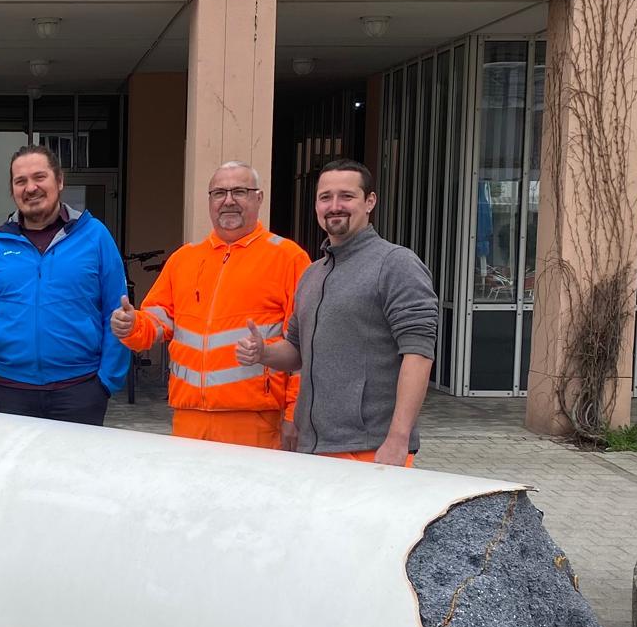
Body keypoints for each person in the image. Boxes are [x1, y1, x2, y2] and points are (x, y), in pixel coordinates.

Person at [235, 159, 437, 465]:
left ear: (370, 202)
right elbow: (296, 352)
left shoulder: (396, 264)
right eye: (325, 197)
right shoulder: (313, 275)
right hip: (314, 447)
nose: (334, 206)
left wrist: (398, 438)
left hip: (372, 450)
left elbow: (419, 354)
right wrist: (263, 353)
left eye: (347, 196)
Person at [110, 162, 311, 448]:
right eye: (219, 193)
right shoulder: (184, 259)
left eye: (239, 191)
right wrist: (132, 326)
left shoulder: (288, 258)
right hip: (189, 420)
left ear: (259, 198)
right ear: (210, 201)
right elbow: (156, 322)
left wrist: (295, 414)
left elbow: (306, 346)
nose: (228, 200)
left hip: (256, 423)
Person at [0, 144, 129, 426]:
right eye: (21, 181)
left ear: (60, 181)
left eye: (39, 177)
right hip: (11, 390)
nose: (31, 188)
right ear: (13, 189)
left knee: (75, 471)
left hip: (80, 389)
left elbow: (117, 312)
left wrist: (106, 382)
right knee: (16, 472)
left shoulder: (95, 236)